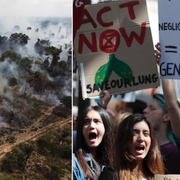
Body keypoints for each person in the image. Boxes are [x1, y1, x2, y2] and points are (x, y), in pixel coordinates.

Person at [98, 114, 164, 180]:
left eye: (146, 133)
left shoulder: (157, 176)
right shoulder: (110, 176)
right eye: (134, 133)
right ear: (123, 139)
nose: (141, 138)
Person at [73, 106, 114, 180]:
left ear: (106, 128)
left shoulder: (112, 163)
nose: (91, 126)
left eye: (97, 121)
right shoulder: (74, 163)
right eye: (86, 122)